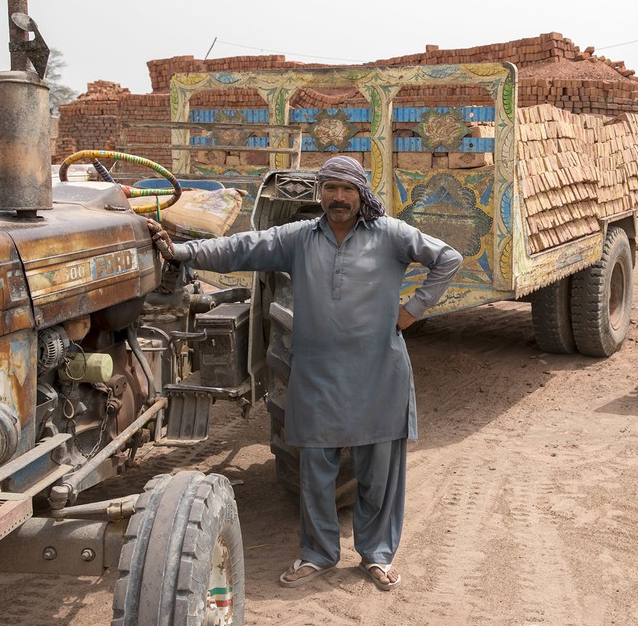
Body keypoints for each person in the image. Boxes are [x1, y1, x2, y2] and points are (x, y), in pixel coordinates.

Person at [147, 155, 463, 591]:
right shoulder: (299, 238)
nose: (338, 197)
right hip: (315, 373)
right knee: (315, 469)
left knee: (380, 471)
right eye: (330, 188)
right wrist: (183, 251)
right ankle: (318, 553)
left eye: (347, 189)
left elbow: (448, 257)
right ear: (320, 193)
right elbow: (242, 247)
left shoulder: (390, 234)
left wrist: (412, 311)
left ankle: (377, 555)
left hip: (379, 373)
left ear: (361, 193)